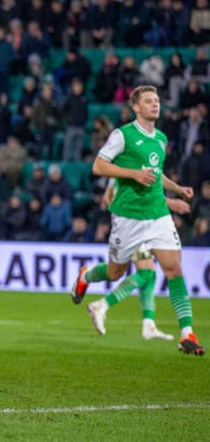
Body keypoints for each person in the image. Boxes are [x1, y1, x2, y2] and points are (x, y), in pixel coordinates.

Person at [69, 85, 204, 355]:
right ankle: (86, 275)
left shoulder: (161, 138)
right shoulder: (123, 135)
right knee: (114, 272)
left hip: (157, 215)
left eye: (157, 100)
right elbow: (99, 166)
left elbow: (155, 173)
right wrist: (133, 174)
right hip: (128, 218)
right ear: (136, 107)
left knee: (174, 268)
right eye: (149, 101)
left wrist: (176, 190)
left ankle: (187, 334)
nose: (155, 104)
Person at [73, 179, 190, 341]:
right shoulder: (124, 164)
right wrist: (169, 202)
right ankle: (101, 304)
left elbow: (142, 187)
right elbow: (112, 197)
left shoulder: (127, 163)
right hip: (130, 227)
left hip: (143, 224)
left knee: (147, 273)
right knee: (140, 273)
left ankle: (148, 324)